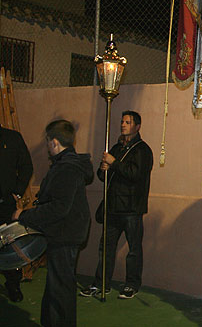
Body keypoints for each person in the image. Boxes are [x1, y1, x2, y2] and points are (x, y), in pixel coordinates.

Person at [13, 120, 93, 326]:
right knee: (57, 285)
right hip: (67, 232)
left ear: (55, 143)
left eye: (48, 141)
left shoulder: (66, 169)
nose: (47, 146)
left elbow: (59, 208)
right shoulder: (68, 165)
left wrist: (24, 215)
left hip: (65, 234)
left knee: (61, 290)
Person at [80, 110, 153, 299]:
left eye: (128, 122)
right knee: (106, 248)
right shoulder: (116, 147)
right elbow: (102, 176)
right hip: (112, 206)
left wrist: (114, 163)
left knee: (134, 249)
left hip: (131, 208)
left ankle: (132, 284)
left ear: (137, 126)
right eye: (122, 121)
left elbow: (134, 175)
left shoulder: (142, 150)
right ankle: (101, 283)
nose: (123, 125)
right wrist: (104, 168)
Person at [0, 124, 33, 302]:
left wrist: (18, 191)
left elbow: (27, 165)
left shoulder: (12, 138)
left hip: (6, 204)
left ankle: (13, 284)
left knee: (9, 245)